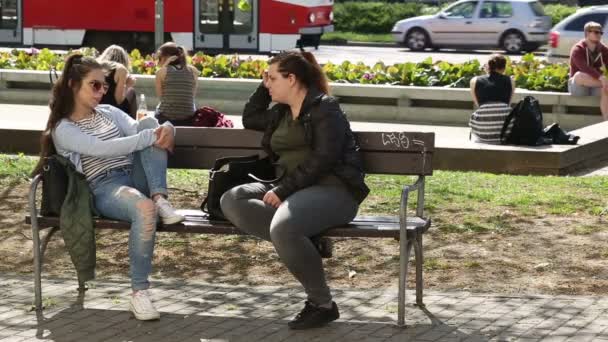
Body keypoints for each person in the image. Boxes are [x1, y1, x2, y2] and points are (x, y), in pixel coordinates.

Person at [220, 51, 370, 330]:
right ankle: (305, 240)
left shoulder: (326, 108)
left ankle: (322, 304)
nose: (268, 84)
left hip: (334, 190)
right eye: (266, 79)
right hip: (292, 189)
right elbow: (251, 117)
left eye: (273, 78)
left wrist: (284, 189)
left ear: (292, 79)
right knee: (233, 199)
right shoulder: (280, 113)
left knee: (284, 227)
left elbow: (324, 158)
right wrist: (264, 81)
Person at [32, 53, 185, 321]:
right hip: (104, 187)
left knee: (149, 122)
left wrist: (168, 127)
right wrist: (152, 136)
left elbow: (143, 130)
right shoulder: (63, 128)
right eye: (95, 85)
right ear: (72, 85)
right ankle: (139, 294)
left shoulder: (109, 112)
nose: (102, 91)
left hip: (136, 176)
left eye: (104, 85)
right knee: (144, 208)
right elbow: (101, 149)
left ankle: (161, 198)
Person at [469, 53, 515, 144]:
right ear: (504, 68)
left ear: (487, 66)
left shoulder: (474, 81)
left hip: (482, 131)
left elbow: (478, 105)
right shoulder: (510, 81)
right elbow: (508, 104)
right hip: (505, 132)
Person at [569, 21, 608, 120]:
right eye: (596, 32)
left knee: (606, 86)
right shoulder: (578, 49)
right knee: (579, 75)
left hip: (595, 87)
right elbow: (584, 68)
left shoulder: (603, 49)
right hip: (579, 87)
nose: (599, 35)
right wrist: (601, 78)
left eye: (600, 33)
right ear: (587, 33)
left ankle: (606, 120)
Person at [154, 42, 199, 125]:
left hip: (167, 119)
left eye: (159, 58)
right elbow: (192, 96)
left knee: (158, 109)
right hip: (188, 120)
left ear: (166, 58)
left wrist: (166, 64)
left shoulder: (160, 73)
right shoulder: (193, 71)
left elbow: (161, 98)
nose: (157, 61)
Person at [98, 45, 138, 118]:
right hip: (112, 110)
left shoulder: (97, 66)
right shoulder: (120, 69)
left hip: (96, 106)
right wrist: (128, 85)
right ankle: (132, 124)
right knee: (131, 92)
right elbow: (119, 100)